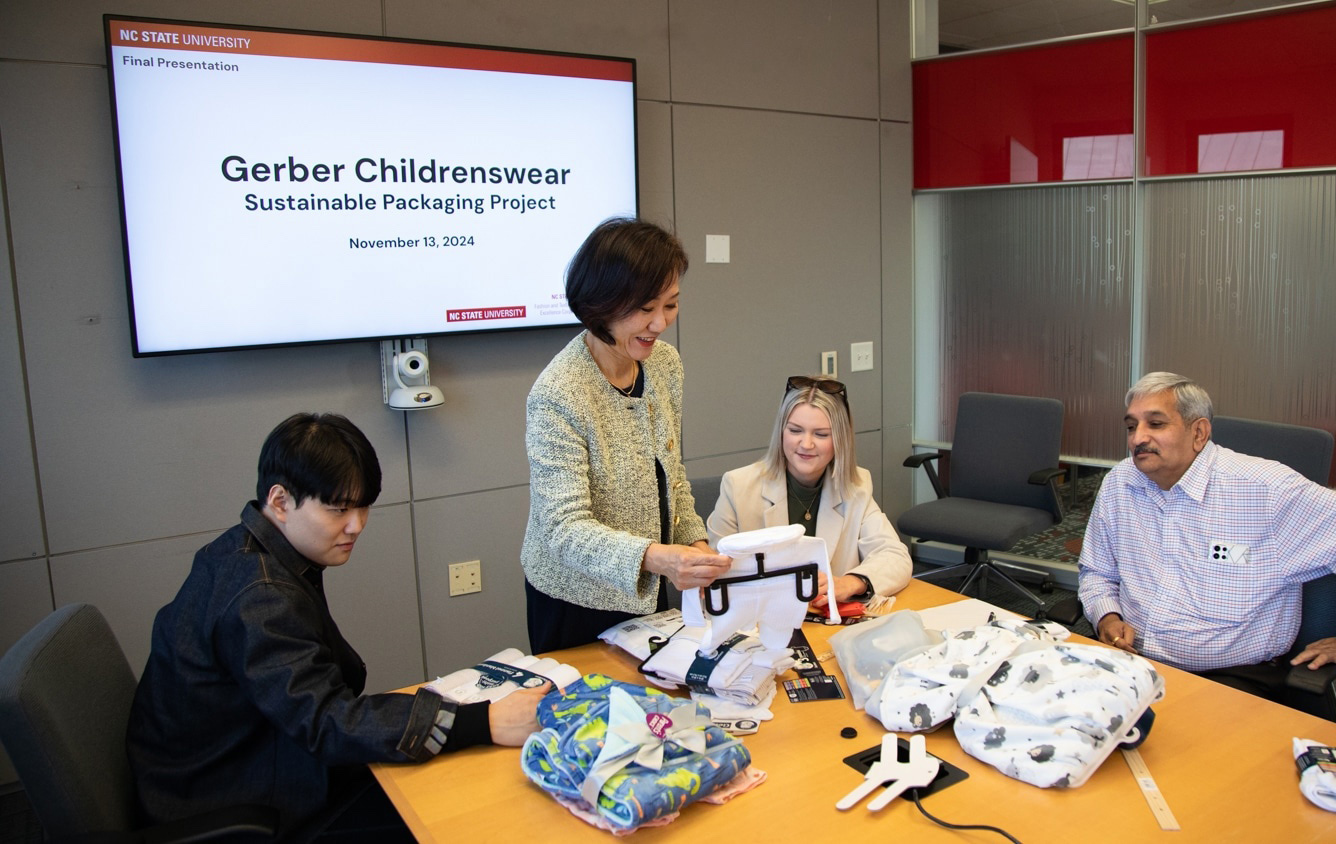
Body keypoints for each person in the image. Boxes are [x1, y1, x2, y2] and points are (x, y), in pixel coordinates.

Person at [127, 413, 548, 839]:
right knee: (461, 814)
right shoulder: (261, 596)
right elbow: (327, 722)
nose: (357, 525)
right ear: (280, 501)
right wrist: (484, 722)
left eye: (363, 506)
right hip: (236, 798)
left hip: (248, 762)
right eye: (338, 509)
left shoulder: (246, 551)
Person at [1077, 372, 1336, 701]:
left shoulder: (1266, 491)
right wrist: (1107, 615)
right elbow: (1097, 571)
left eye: (1156, 423)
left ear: (1199, 433)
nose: (1138, 439)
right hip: (1132, 662)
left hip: (1231, 677)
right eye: (1131, 426)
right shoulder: (1121, 483)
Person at [522, 217, 731, 653]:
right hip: (574, 599)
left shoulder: (664, 365)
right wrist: (659, 557)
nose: (660, 323)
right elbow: (564, 529)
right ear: (601, 303)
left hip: (646, 582)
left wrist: (695, 545)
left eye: (670, 305)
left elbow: (671, 476)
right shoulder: (559, 394)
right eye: (645, 308)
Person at [707, 376, 912, 609]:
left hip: (826, 627)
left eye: (821, 434)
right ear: (781, 432)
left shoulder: (856, 486)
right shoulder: (738, 486)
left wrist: (850, 583)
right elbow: (716, 573)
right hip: (759, 624)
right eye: (795, 430)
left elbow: (895, 556)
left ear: (840, 440)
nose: (806, 444)